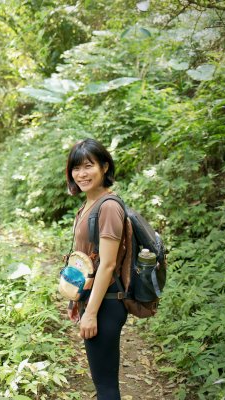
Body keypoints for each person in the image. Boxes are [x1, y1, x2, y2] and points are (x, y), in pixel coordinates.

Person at [65, 138, 128, 400]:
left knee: (105, 386)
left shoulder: (109, 207)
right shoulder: (89, 204)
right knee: (102, 381)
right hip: (94, 300)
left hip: (106, 304)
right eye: (76, 168)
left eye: (88, 166)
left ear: (104, 167)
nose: (81, 174)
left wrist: (90, 314)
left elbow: (108, 264)